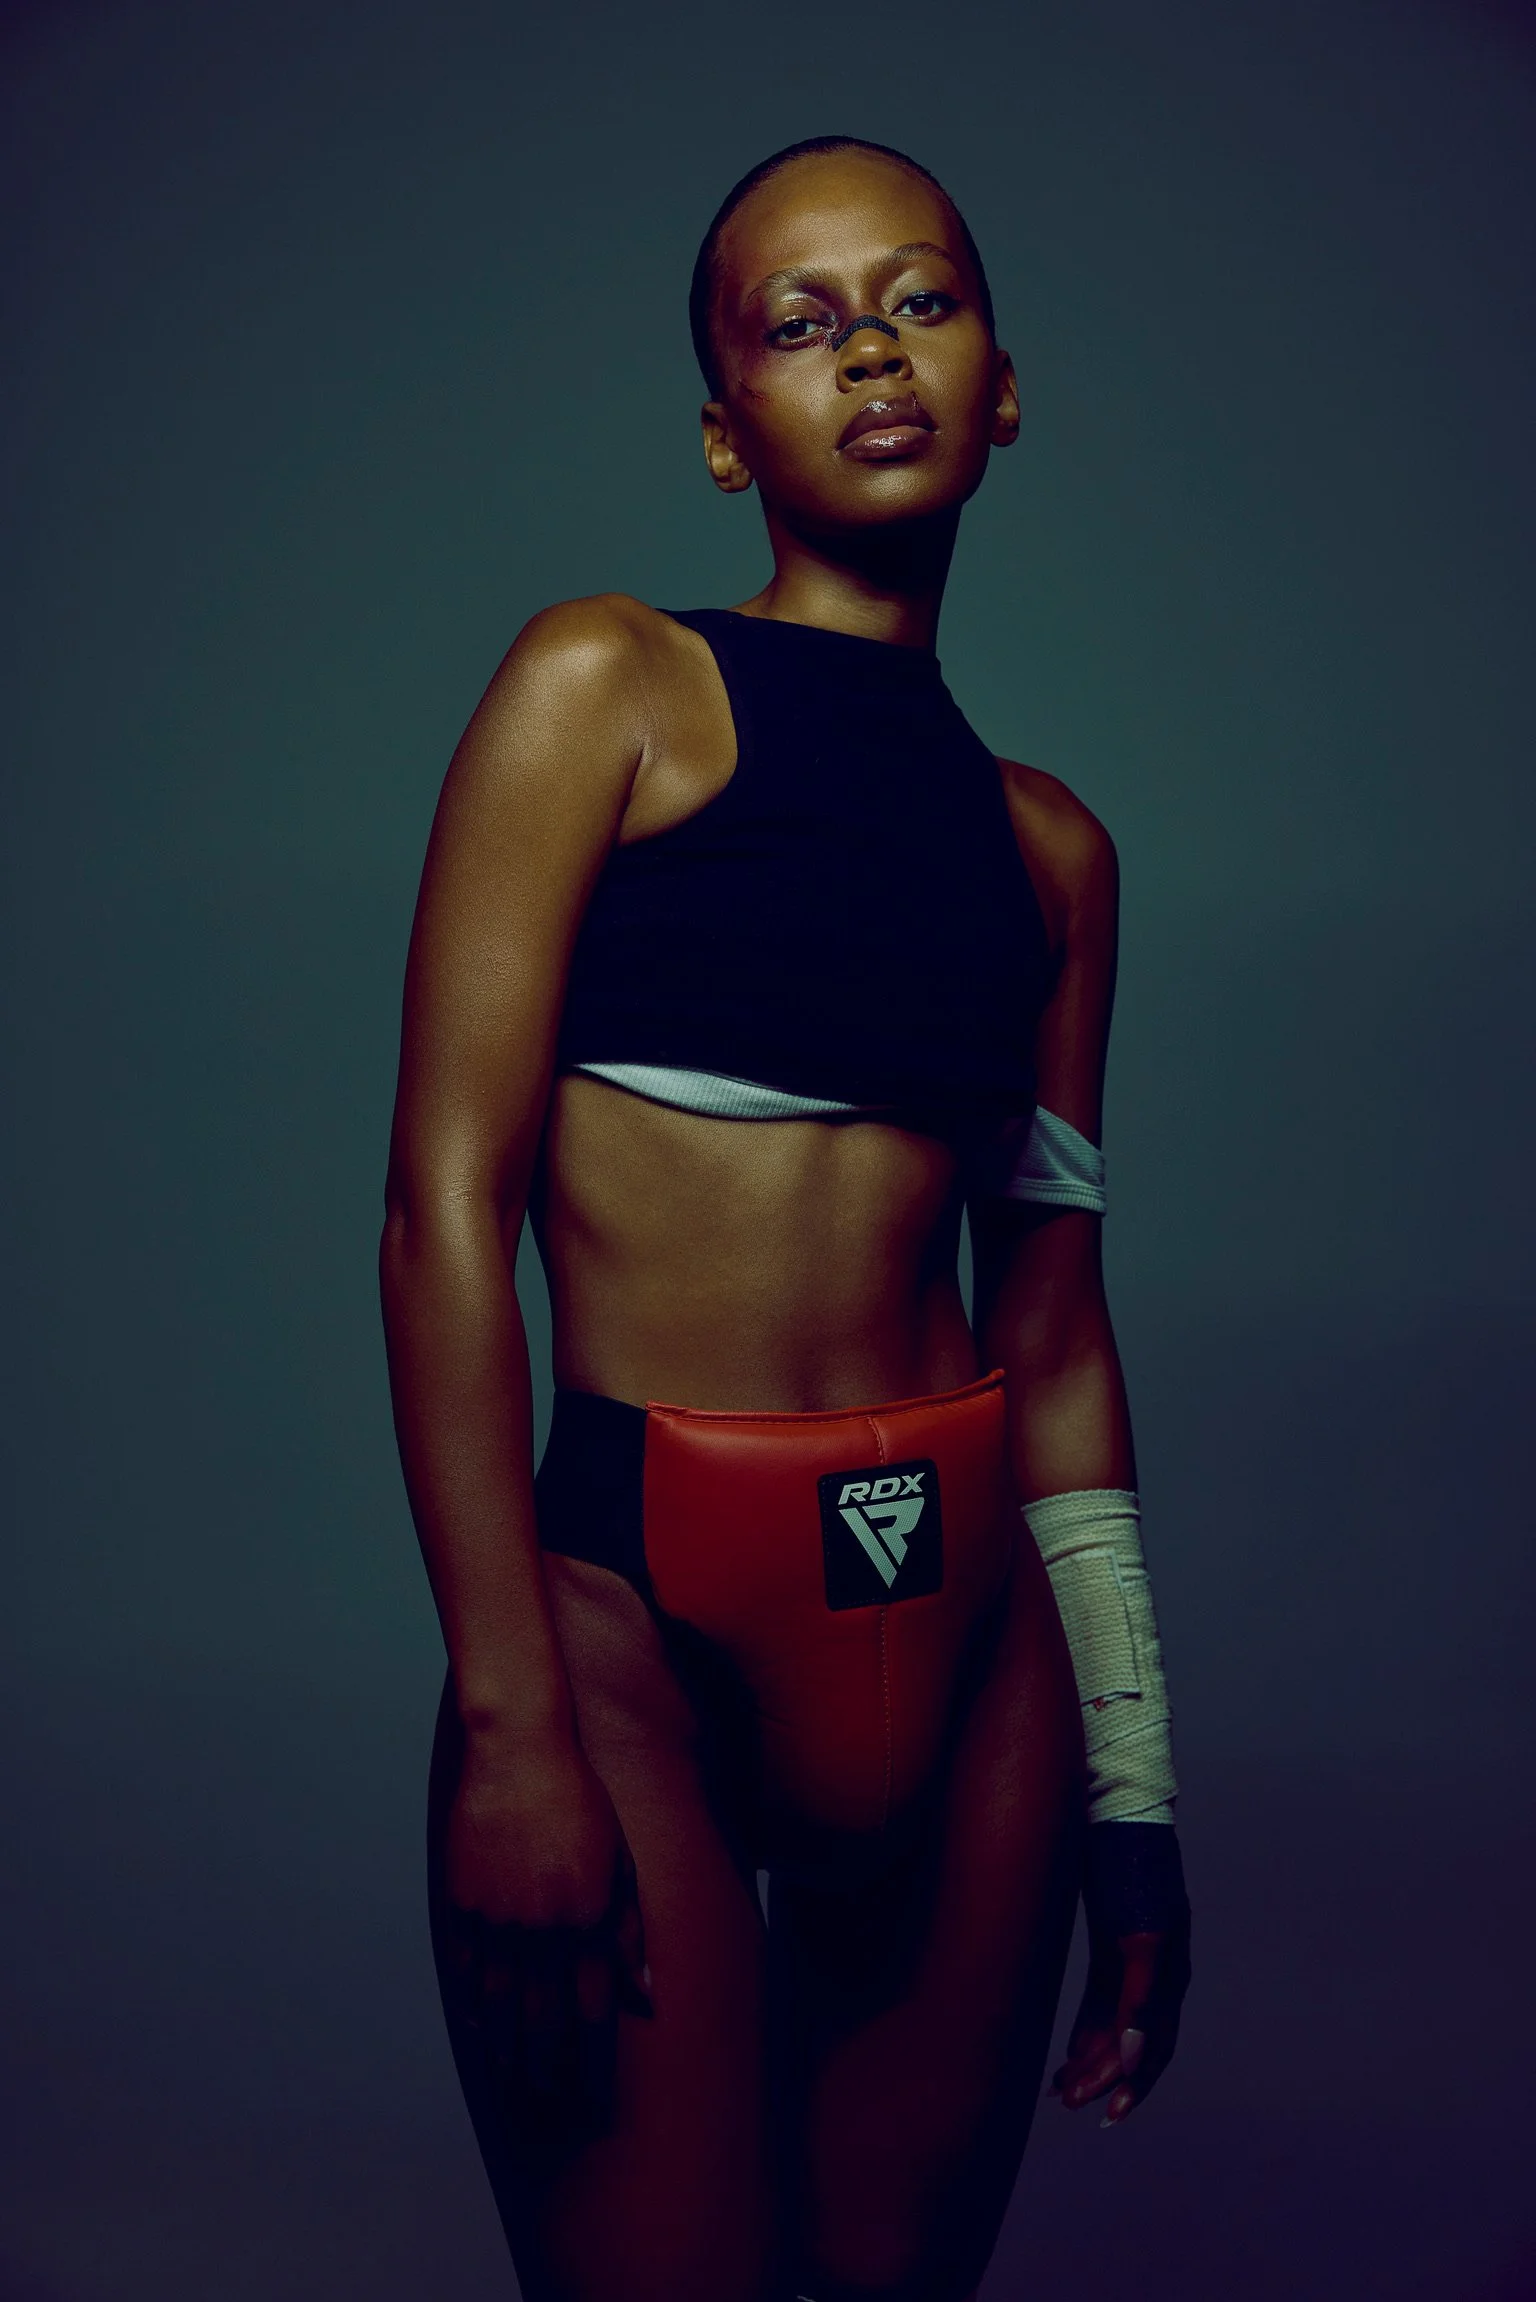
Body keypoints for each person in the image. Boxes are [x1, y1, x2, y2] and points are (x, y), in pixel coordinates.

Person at [380, 133, 1191, 2302]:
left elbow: (1064, 1326)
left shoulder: (1054, 856)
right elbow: (442, 1209)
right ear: (728, 425)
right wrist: (506, 1717)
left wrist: (1136, 1794)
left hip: (971, 1636)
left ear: (1002, 381)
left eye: (919, 302)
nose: (874, 353)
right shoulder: (608, 690)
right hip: (636, 1617)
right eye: (800, 324)